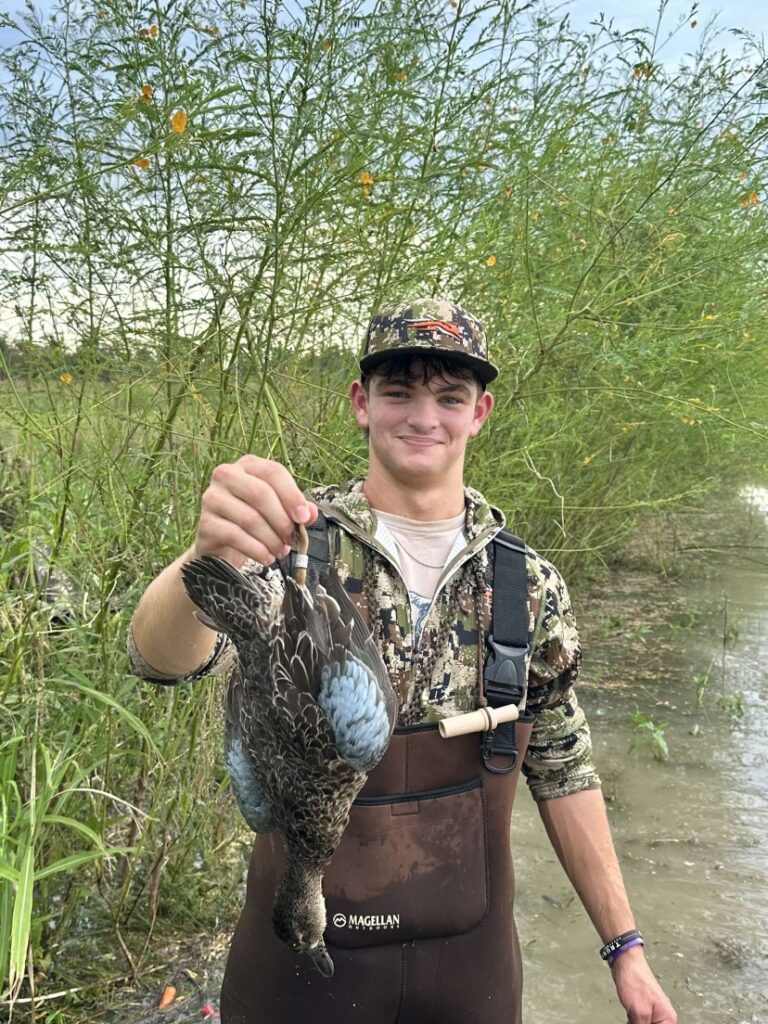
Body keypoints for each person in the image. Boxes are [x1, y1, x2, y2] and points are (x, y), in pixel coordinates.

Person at [128, 298, 677, 1024]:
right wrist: (205, 557)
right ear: (362, 403)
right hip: (294, 977)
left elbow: (562, 766)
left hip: (469, 981)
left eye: (450, 397)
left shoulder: (526, 584)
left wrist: (625, 950)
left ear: (479, 413)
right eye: (399, 392)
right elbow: (160, 661)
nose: (425, 416)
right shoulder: (288, 543)